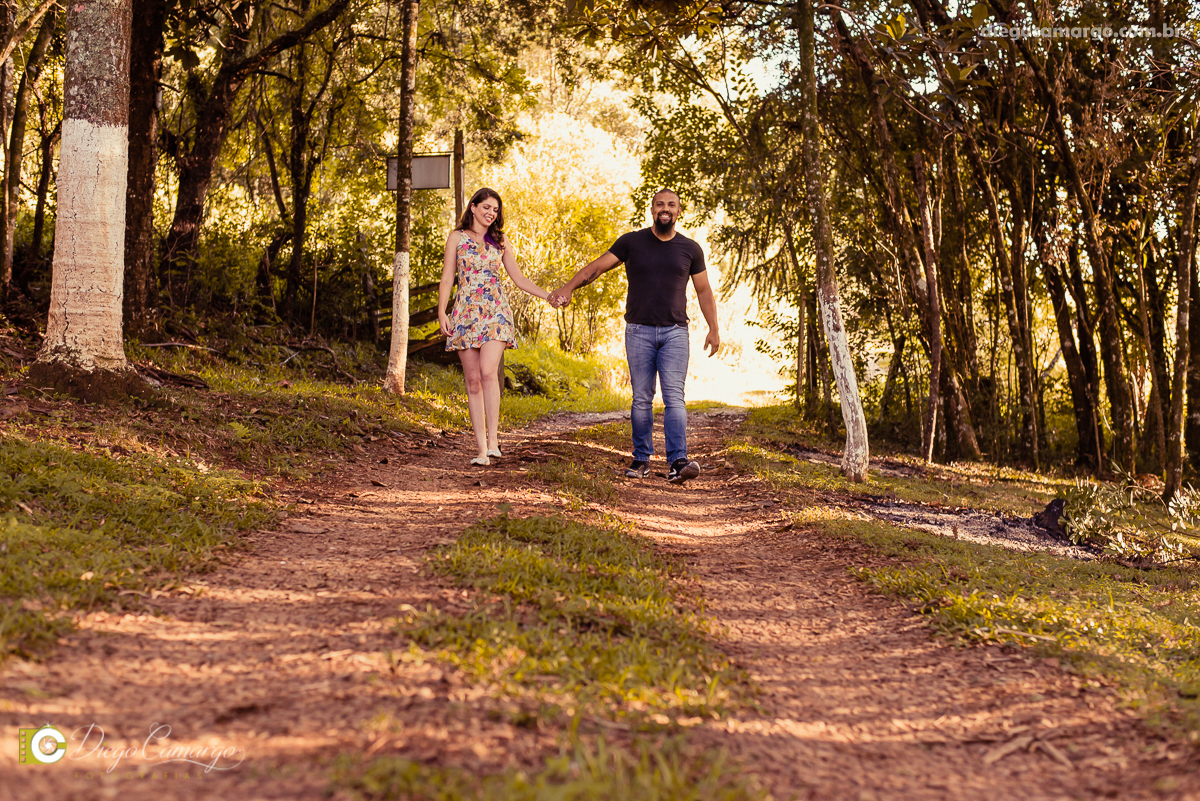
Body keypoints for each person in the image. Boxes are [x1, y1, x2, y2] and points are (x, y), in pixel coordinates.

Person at [548, 189, 719, 484]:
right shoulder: (632, 241)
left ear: (679, 212)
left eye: (671, 205)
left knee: (674, 398)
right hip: (638, 330)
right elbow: (597, 268)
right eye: (660, 204)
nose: (665, 209)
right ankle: (641, 460)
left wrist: (713, 328)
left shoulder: (691, 249)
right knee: (641, 398)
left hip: (676, 332)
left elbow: (704, 291)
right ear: (652, 209)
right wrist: (568, 288)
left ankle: (678, 461)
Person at [438, 187, 552, 466]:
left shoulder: (500, 241)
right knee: (473, 381)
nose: (491, 213)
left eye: (495, 209)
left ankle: (493, 442)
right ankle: (480, 450)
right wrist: (443, 311)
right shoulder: (457, 238)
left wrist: (548, 295)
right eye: (486, 207)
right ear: (473, 207)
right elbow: (447, 278)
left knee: (489, 372)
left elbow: (519, 278)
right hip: (465, 314)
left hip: (495, 313)